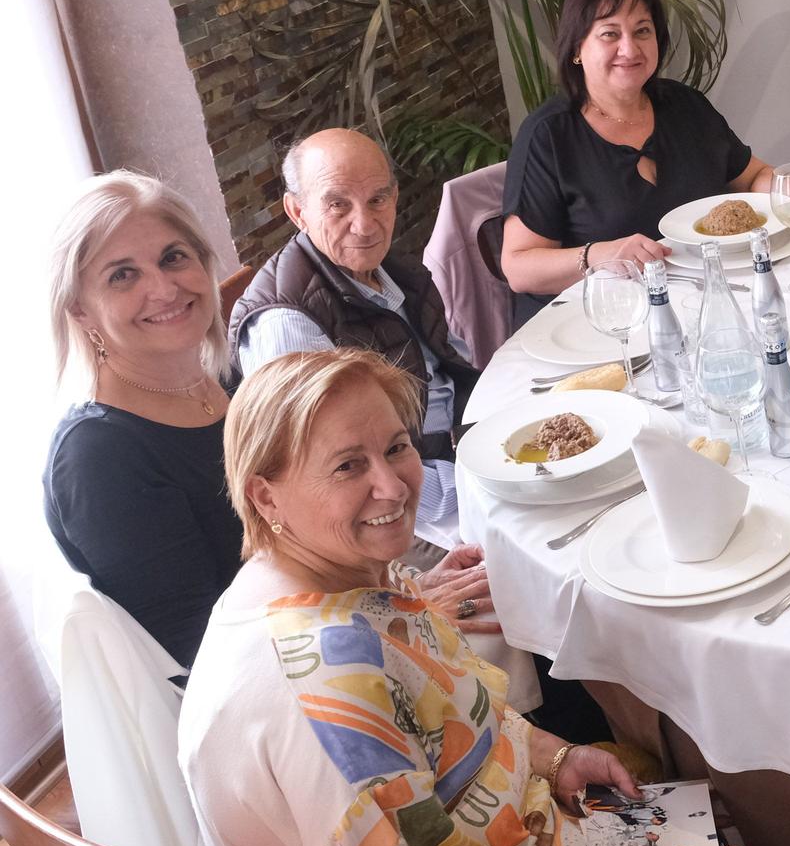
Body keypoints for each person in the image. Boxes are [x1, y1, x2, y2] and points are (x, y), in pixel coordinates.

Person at [180, 348, 790, 846]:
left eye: (396, 447)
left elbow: (445, 711)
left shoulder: (329, 570)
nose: (392, 487)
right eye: (347, 466)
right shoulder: (320, 687)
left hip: (494, 835)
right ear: (266, 496)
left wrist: (553, 756)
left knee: (641, 775)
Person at [42, 172, 492, 670]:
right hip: (298, 687)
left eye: (173, 257)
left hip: (344, 620)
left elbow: (314, 536)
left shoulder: (235, 384)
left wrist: (407, 594)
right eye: (121, 275)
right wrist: (410, 621)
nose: (164, 289)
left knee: (507, 595)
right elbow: (204, 653)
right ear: (80, 309)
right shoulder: (99, 459)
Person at [232, 129, 475, 535]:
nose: (364, 225)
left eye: (377, 200)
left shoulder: (392, 270)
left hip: (460, 445)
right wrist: (476, 487)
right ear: (297, 211)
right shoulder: (287, 325)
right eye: (337, 205)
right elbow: (344, 476)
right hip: (406, 520)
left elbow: (450, 363)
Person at [502, 0, 774, 321]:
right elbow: (518, 269)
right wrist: (600, 255)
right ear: (577, 48)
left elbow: (754, 177)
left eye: (642, 30)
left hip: (704, 307)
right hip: (601, 325)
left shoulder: (685, 106)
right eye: (610, 34)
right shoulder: (548, 135)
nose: (629, 49)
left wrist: (787, 188)